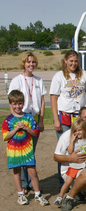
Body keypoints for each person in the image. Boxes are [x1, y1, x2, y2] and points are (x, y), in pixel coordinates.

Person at [50, 50, 86, 187]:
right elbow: (53, 98)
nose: (73, 63)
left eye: (76, 61)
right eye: (71, 61)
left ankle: (78, 179)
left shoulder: (84, 75)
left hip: (79, 117)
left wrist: (85, 108)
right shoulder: (59, 76)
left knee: (80, 147)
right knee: (64, 149)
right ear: (65, 61)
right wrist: (56, 119)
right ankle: (62, 182)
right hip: (64, 117)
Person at [8, 52, 47, 194]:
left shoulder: (38, 80)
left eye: (33, 62)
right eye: (28, 62)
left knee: (31, 151)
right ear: (24, 63)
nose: (31, 64)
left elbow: (42, 101)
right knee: (22, 151)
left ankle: (31, 182)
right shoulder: (17, 80)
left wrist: (41, 120)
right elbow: (12, 102)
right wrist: (14, 120)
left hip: (34, 118)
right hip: (20, 119)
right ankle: (24, 184)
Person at [2, 90, 49, 206]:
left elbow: (35, 133)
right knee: (17, 173)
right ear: (10, 104)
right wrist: (16, 129)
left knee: (33, 173)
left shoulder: (29, 117)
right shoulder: (7, 120)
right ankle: (20, 194)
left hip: (28, 150)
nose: (17, 106)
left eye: (20, 103)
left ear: (23, 103)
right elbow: (5, 137)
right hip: (14, 151)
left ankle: (38, 194)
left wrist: (26, 128)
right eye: (14, 104)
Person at [54, 118, 86, 207]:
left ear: (85, 130)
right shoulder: (74, 141)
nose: (77, 132)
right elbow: (70, 151)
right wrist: (71, 141)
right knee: (67, 183)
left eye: (80, 130)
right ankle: (60, 197)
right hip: (74, 167)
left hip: (84, 167)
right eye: (75, 130)